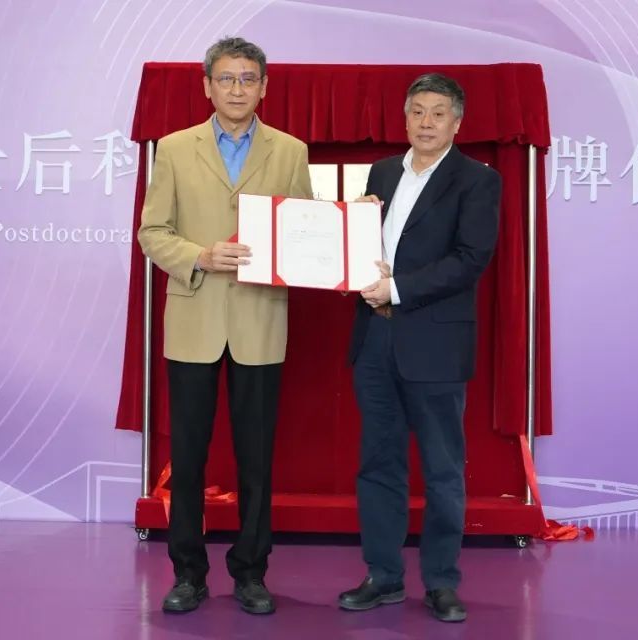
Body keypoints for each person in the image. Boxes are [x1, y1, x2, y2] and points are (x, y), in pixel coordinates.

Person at [137, 36, 312, 615]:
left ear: (264, 87)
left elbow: (302, 232)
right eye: (227, 78)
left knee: (256, 458)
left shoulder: (290, 151)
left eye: (248, 78)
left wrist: (341, 243)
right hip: (195, 317)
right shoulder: (173, 148)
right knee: (188, 458)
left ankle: (252, 572)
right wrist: (200, 256)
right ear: (207, 86)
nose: (238, 89)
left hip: (260, 320)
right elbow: (152, 232)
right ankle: (188, 573)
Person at [338, 73, 501, 623]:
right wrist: (348, 236)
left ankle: (441, 582)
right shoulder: (383, 171)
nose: (426, 122)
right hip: (374, 337)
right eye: (417, 112)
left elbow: (470, 259)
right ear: (405, 117)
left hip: (435, 342)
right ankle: (382, 575)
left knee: (442, 469)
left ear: (457, 122)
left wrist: (398, 288)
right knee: (378, 463)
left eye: (438, 113)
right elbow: (366, 247)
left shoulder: (478, 180)